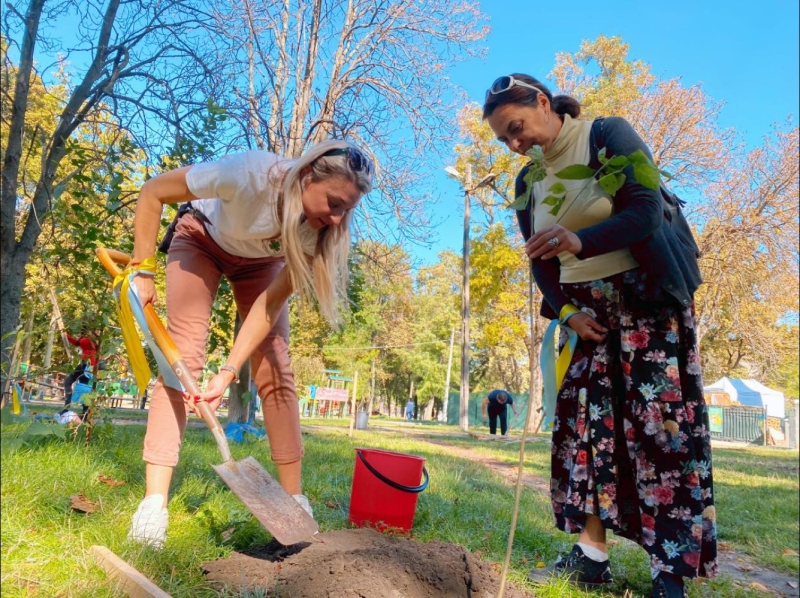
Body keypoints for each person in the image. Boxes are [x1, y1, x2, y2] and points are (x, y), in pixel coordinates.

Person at [483, 74, 716, 598]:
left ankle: (670, 573)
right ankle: (590, 557)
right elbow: (540, 259)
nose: (514, 144)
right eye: (504, 140)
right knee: (585, 435)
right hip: (586, 317)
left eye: (516, 128)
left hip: (645, 303)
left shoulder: (608, 135)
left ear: (543, 102)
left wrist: (579, 239)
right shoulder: (528, 182)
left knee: (660, 433)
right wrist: (565, 313)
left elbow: (645, 210)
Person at [126, 140, 373, 548]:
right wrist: (143, 269)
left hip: (260, 263)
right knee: (182, 358)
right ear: (307, 175)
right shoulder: (248, 174)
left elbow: (268, 305)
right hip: (201, 238)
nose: (336, 218)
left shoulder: (317, 232)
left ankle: (294, 501)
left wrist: (227, 372)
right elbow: (153, 191)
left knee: (275, 362)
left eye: (346, 209)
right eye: (333, 203)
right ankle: (153, 505)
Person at [59, 329, 97, 415]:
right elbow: (77, 343)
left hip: (88, 364)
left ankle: (71, 409)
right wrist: (66, 335)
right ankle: (84, 411)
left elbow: (98, 350)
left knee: (73, 383)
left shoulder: (96, 337)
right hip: (85, 363)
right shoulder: (86, 334)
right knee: (82, 387)